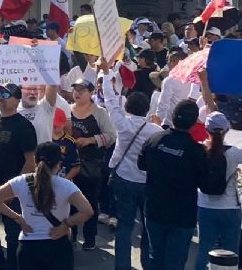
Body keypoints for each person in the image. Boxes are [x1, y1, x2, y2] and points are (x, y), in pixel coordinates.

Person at [0, 142, 95, 270]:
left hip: (28, 246)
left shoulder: (21, 181)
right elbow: (87, 211)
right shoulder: (66, 186)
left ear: (36, 161)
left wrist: (18, 218)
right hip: (58, 245)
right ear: (58, 165)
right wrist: (66, 224)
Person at [101, 66, 159, 270]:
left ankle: (122, 266)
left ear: (128, 108)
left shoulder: (122, 124)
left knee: (124, 226)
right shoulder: (155, 130)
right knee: (147, 227)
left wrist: (106, 76)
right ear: (146, 109)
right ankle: (147, 264)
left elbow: (109, 102)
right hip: (146, 181)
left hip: (123, 179)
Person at [138, 99, 207, 270]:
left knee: (156, 258)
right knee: (175, 262)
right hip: (181, 215)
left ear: (173, 117)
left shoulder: (154, 139)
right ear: (194, 123)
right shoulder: (196, 151)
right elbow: (205, 183)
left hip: (155, 209)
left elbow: (141, 164)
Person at [0, 83, 38, 270]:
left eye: (6, 94)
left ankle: (12, 266)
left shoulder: (24, 127)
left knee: (13, 235)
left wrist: (15, 188)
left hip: (14, 190)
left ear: (17, 99)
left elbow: (30, 161)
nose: (0, 96)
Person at [68, 78, 116, 250]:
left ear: (91, 93)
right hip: (69, 164)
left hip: (92, 165)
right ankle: (70, 236)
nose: (78, 93)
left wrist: (90, 140)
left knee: (90, 202)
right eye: (75, 89)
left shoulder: (100, 112)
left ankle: (89, 237)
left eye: (82, 90)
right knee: (69, 201)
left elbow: (111, 135)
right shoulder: (67, 109)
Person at [194, 112, 242, 270]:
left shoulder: (200, 151)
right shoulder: (234, 152)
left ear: (206, 129)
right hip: (230, 208)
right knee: (231, 252)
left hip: (205, 206)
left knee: (204, 251)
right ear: (227, 130)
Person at [50, 109, 80, 180]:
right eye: (53, 124)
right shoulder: (45, 137)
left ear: (63, 123)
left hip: (64, 179)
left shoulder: (70, 142)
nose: (54, 127)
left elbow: (76, 167)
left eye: (57, 125)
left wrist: (65, 180)